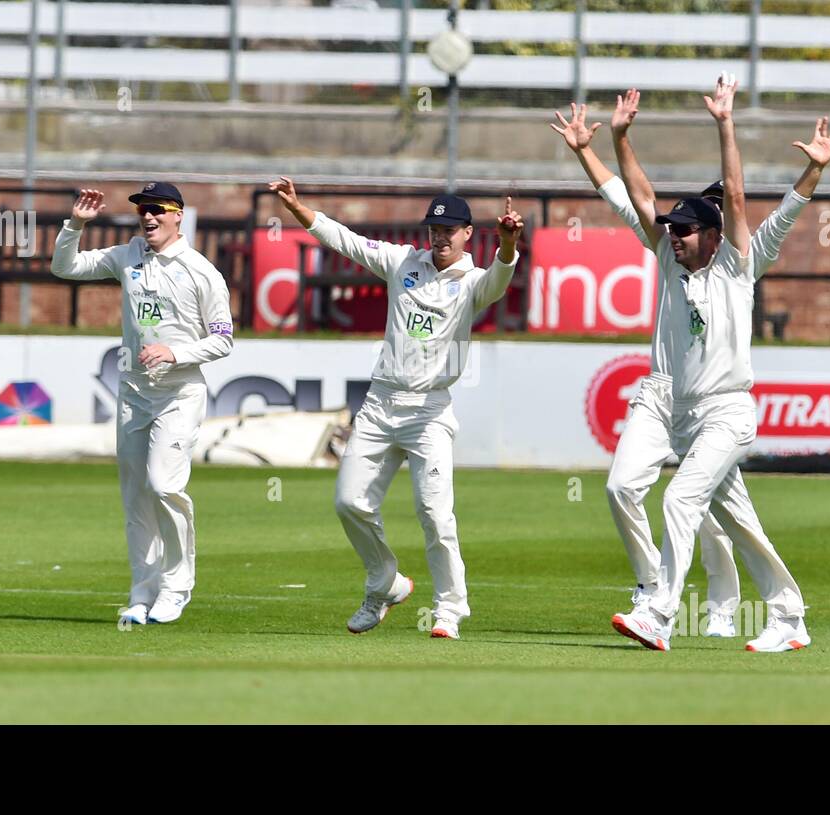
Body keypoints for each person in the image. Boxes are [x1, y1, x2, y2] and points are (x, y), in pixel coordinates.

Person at [550, 97, 830, 639]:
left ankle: (659, 615)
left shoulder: (738, 263)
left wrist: (729, 124)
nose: (674, 237)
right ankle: (788, 615)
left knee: (682, 498)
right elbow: (633, 195)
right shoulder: (668, 254)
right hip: (667, 405)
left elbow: (737, 194)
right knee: (711, 512)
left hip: (725, 410)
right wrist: (608, 144)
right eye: (673, 229)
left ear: (714, 235)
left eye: (685, 230)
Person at [268, 176, 523, 640]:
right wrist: (296, 208)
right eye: (434, 229)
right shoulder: (403, 262)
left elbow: (501, 277)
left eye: (450, 230)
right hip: (381, 404)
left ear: (468, 234)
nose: (440, 237)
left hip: (429, 411)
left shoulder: (472, 283)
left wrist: (507, 243)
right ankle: (385, 581)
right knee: (349, 502)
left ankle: (450, 609)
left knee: (435, 513)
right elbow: (345, 240)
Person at [50, 182, 234, 625]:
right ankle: (142, 591)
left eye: (157, 210)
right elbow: (66, 267)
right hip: (133, 391)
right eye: (142, 211)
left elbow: (223, 339)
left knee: (163, 485)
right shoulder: (127, 256)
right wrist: (76, 223)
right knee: (135, 497)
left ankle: (175, 587)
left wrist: (177, 352)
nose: (148, 218)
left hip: (178, 391)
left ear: (178, 216)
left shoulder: (200, 270)